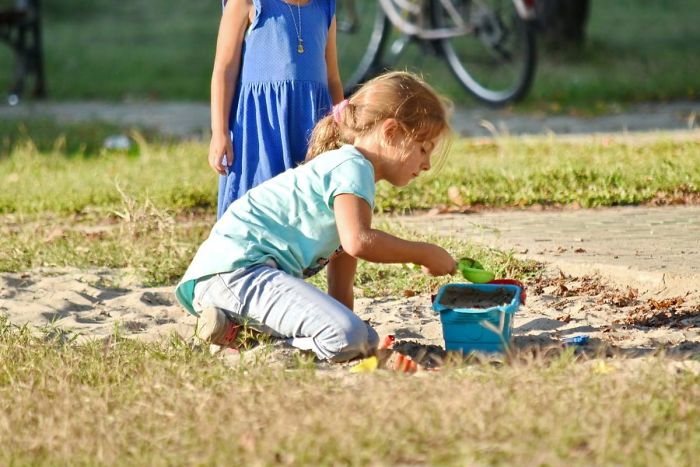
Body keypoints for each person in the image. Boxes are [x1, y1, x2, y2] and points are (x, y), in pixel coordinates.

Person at [176, 71, 456, 362]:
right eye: (423, 149)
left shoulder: (354, 178)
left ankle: (233, 331)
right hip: (237, 274)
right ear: (390, 132)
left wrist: (351, 327)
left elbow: (341, 284)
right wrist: (424, 253)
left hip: (232, 279)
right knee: (351, 338)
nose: (426, 165)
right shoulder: (352, 167)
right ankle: (261, 347)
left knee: (360, 337)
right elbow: (359, 242)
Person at [209, 0, 344, 218]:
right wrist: (220, 132)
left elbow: (332, 78)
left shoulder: (324, 7)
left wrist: (342, 126)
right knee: (259, 203)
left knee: (307, 208)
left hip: (311, 127)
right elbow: (224, 70)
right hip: (261, 128)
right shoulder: (247, 3)